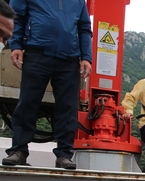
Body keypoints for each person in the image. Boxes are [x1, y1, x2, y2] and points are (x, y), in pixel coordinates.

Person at [2, 0, 91, 169]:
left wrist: (86, 57)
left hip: (69, 59)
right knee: (27, 103)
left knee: (67, 109)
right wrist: (16, 46)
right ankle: (18, 151)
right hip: (37, 53)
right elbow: (16, 17)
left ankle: (64, 155)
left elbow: (84, 28)